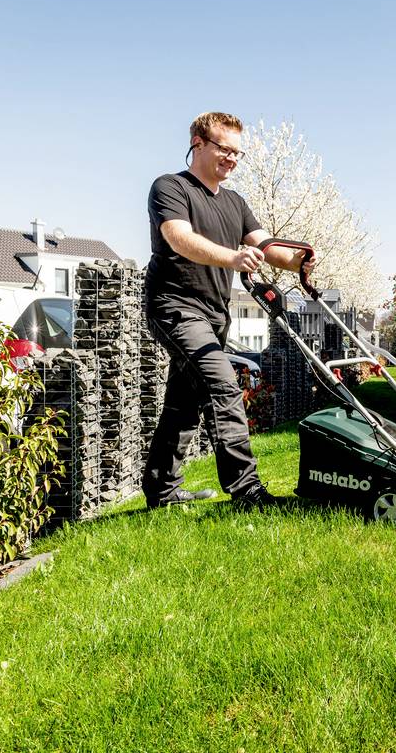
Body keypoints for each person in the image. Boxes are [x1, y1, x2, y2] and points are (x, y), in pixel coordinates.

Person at [141, 111, 312, 509]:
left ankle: (162, 491)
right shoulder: (171, 188)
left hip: (216, 314)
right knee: (223, 385)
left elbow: (269, 246)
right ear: (197, 143)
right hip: (175, 306)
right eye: (224, 149)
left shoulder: (235, 202)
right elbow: (179, 239)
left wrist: (299, 261)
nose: (232, 159)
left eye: (238, 152)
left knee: (183, 403)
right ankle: (246, 492)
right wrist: (233, 259)